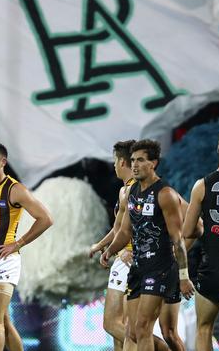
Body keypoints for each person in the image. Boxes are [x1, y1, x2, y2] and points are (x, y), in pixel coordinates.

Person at [102, 139, 194, 351]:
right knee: (133, 332)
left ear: (153, 163)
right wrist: (109, 250)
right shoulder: (131, 193)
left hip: (160, 268)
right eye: (132, 160)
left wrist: (183, 276)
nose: (134, 164)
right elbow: (125, 231)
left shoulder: (165, 194)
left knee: (144, 329)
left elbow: (178, 239)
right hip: (138, 268)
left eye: (140, 160)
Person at [0, 142, 53, 351]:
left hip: (6, 262)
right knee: (3, 321)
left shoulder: (15, 189)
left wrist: (18, 243)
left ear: (3, 162)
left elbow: (45, 219)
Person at [182, 130, 219, 351]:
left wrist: (209, 225)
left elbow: (189, 230)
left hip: (214, 267)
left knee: (204, 329)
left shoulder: (202, 185)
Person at [89, 140, 136, 350]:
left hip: (130, 261)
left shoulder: (138, 189)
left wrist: (113, 249)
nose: (114, 165)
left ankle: (154, 346)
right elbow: (119, 228)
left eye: (115, 160)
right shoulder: (124, 190)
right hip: (122, 258)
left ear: (123, 162)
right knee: (120, 330)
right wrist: (101, 245)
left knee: (113, 324)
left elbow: (131, 229)